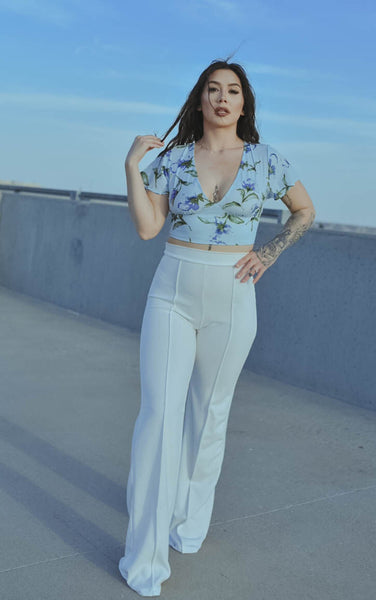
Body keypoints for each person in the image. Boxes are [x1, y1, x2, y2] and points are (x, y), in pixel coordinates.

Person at [118, 58, 316, 596]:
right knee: (159, 415)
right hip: (173, 289)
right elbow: (147, 228)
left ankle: (188, 526)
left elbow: (304, 210)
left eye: (232, 91)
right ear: (200, 100)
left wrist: (269, 254)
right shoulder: (174, 159)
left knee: (208, 417)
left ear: (243, 103)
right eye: (212, 90)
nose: (222, 98)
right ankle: (145, 558)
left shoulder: (267, 160)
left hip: (233, 293)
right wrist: (132, 166)